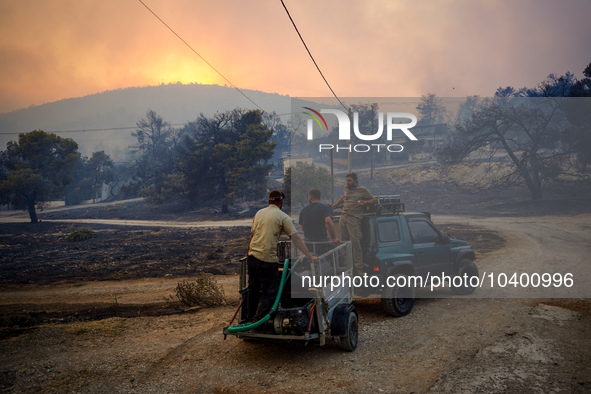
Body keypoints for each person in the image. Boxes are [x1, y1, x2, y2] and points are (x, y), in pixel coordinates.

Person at [246, 190, 319, 322]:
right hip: (266, 260)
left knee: (253, 290)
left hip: (252, 257)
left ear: (269, 201)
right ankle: (259, 322)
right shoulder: (282, 216)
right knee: (269, 293)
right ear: (281, 202)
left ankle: (248, 318)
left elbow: (253, 235)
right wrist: (310, 256)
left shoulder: (259, 213)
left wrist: (249, 254)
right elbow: (296, 238)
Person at [332, 173, 377, 276]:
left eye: (349, 181)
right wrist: (336, 205)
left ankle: (358, 269)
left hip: (354, 219)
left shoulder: (362, 190)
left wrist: (364, 202)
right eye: (347, 181)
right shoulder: (346, 188)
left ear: (355, 181)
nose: (347, 183)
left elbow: (374, 200)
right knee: (343, 243)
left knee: (355, 244)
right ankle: (346, 266)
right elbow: (344, 197)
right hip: (344, 217)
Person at [299, 188, 339, 255]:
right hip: (322, 242)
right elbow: (328, 221)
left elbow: (303, 227)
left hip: (308, 243)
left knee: (314, 261)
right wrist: (334, 238)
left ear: (310, 197)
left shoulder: (303, 210)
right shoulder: (325, 207)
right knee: (339, 258)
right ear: (319, 197)